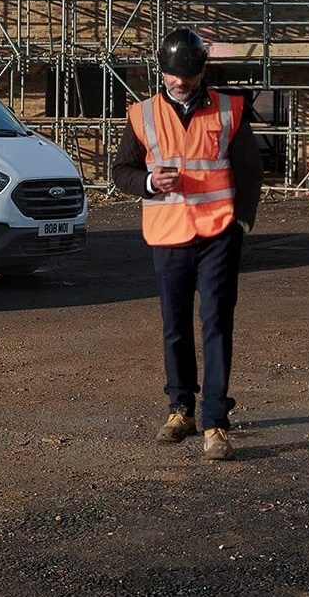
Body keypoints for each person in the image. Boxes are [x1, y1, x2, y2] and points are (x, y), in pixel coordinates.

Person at [112, 28, 264, 461]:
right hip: (168, 236)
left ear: (201, 72)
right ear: (161, 72)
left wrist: (242, 222)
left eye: (188, 75)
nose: (180, 82)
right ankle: (181, 409)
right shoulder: (141, 115)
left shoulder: (229, 110)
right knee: (174, 327)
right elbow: (121, 171)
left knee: (216, 323)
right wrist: (146, 182)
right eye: (173, 75)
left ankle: (215, 419)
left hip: (218, 235)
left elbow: (249, 170)